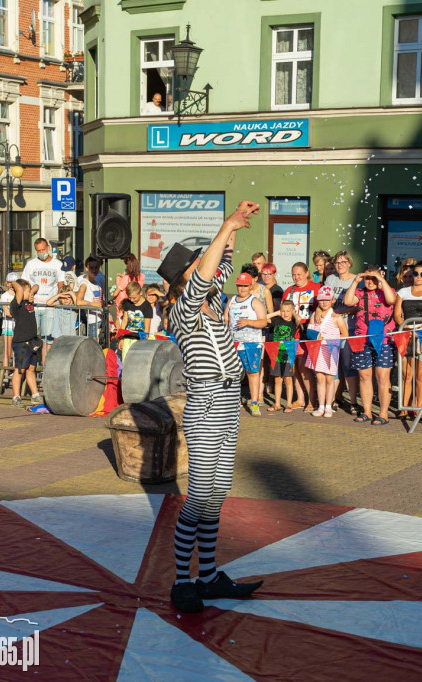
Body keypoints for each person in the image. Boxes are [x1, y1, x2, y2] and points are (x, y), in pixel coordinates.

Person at [157, 200, 263, 614]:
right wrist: (226, 224)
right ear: (182, 277)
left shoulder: (214, 305)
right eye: (196, 265)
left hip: (228, 399)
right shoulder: (182, 310)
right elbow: (205, 274)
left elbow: (222, 261)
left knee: (217, 495)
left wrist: (235, 224)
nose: (207, 266)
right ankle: (182, 581)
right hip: (205, 401)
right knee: (199, 496)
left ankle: (209, 575)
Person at [343, 265, 397, 425]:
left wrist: (380, 278)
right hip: (362, 339)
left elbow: (391, 300)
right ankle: (367, 411)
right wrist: (355, 281)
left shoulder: (387, 290)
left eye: (373, 278)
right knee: (364, 376)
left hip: (384, 340)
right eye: (368, 278)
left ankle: (383, 413)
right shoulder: (360, 293)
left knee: (382, 377)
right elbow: (347, 301)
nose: (370, 281)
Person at [395, 259, 422, 414]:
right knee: (406, 374)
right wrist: (408, 328)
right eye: (415, 273)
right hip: (405, 335)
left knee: (420, 375)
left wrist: (419, 330)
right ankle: (404, 407)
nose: (418, 277)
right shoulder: (403, 292)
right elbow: (397, 316)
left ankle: (418, 407)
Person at [227, 272, 268, 417]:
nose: (242, 289)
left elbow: (263, 321)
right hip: (233, 343)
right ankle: (232, 401)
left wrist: (248, 322)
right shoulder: (231, 301)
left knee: (252, 373)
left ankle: (254, 402)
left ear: (250, 286)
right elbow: (226, 320)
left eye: (245, 286)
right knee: (232, 373)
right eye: (240, 286)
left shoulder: (255, 301)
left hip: (251, 343)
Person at [282, 262, 321, 410]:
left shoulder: (316, 287)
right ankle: (300, 398)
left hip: (308, 331)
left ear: (306, 273)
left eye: (299, 274)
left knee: (304, 366)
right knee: (295, 367)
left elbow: (325, 305)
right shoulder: (289, 291)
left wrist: (316, 312)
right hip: (292, 332)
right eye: (293, 274)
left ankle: (312, 400)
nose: (296, 277)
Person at [326, 251, 361, 413]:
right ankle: (335, 398)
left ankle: (353, 401)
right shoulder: (330, 279)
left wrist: (346, 311)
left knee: (348, 366)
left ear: (349, 264)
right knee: (333, 366)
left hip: (350, 328)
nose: (339, 265)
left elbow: (360, 305)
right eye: (337, 263)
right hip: (332, 329)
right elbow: (324, 300)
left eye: (343, 262)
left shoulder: (357, 281)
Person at [305, 286, 347, 418]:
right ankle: (321, 406)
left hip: (331, 350)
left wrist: (332, 340)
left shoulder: (336, 317)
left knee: (330, 379)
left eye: (327, 300)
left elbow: (344, 334)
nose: (324, 302)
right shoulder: (314, 315)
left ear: (332, 300)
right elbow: (309, 332)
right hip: (317, 350)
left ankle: (329, 406)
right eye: (321, 300)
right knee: (320, 378)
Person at [20, 238, 63, 359]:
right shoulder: (31, 264)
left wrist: (58, 300)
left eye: (43, 250)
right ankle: (28, 365)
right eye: (38, 250)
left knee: (47, 340)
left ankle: (45, 370)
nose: (41, 252)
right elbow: (24, 284)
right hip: (34, 306)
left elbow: (61, 285)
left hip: (49, 306)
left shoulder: (57, 264)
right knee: (31, 338)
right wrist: (28, 296)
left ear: (48, 248)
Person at [8, 279, 42, 407]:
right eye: (27, 291)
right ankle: (16, 397)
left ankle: (35, 395)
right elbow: (20, 290)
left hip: (32, 341)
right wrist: (13, 283)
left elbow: (36, 286)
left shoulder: (28, 301)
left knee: (31, 368)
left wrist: (31, 291)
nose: (30, 293)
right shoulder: (16, 305)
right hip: (22, 342)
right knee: (20, 369)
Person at [266, 300, 300, 413]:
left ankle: (289, 404)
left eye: (288, 311)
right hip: (276, 354)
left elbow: (299, 319)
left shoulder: (294, 322)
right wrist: (277, 313)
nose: (285, 314)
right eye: (283, 311)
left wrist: (294, 313)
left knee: (288, 379)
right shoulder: (277, 320)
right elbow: (265, 318)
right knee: (277, 380)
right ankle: (277, 404)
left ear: (292, 311)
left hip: (288, 354)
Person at [119, 281, 152, 359]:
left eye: (134, 298)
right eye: (130, 297)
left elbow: (147, 327)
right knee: (125, 360)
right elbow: (124, 321)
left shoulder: (147, 306)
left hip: (139, 339)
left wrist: (144, 340)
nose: (132, 300)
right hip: (127, 336)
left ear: (140, 293)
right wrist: (121, 338)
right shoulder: (127, 303)